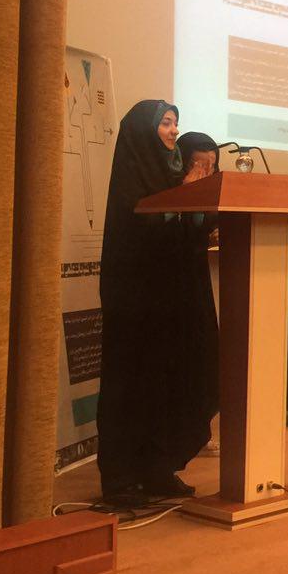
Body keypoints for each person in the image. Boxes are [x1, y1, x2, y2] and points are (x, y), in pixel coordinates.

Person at [97, 100, 213, 503]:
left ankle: (159, 468)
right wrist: (183, 195)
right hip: (137, 299)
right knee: (132, 386)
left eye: (175, 123)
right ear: (143, 132)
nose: (174, 130)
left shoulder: (174, 172)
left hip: (174, 297)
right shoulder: (131, 173)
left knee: (169, 384)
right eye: (165, 123)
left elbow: (190, 231)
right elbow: (141, 222)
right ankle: (121, 478)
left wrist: (197, 199)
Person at [174, 131, 222, 449]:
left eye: (211, 166)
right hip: (174, 279)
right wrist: (186, 193)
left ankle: (200, 428)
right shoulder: (167, 191)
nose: (205, 173)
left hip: (198, 278)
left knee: (206, 351)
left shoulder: (214, 192)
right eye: (198, 165)